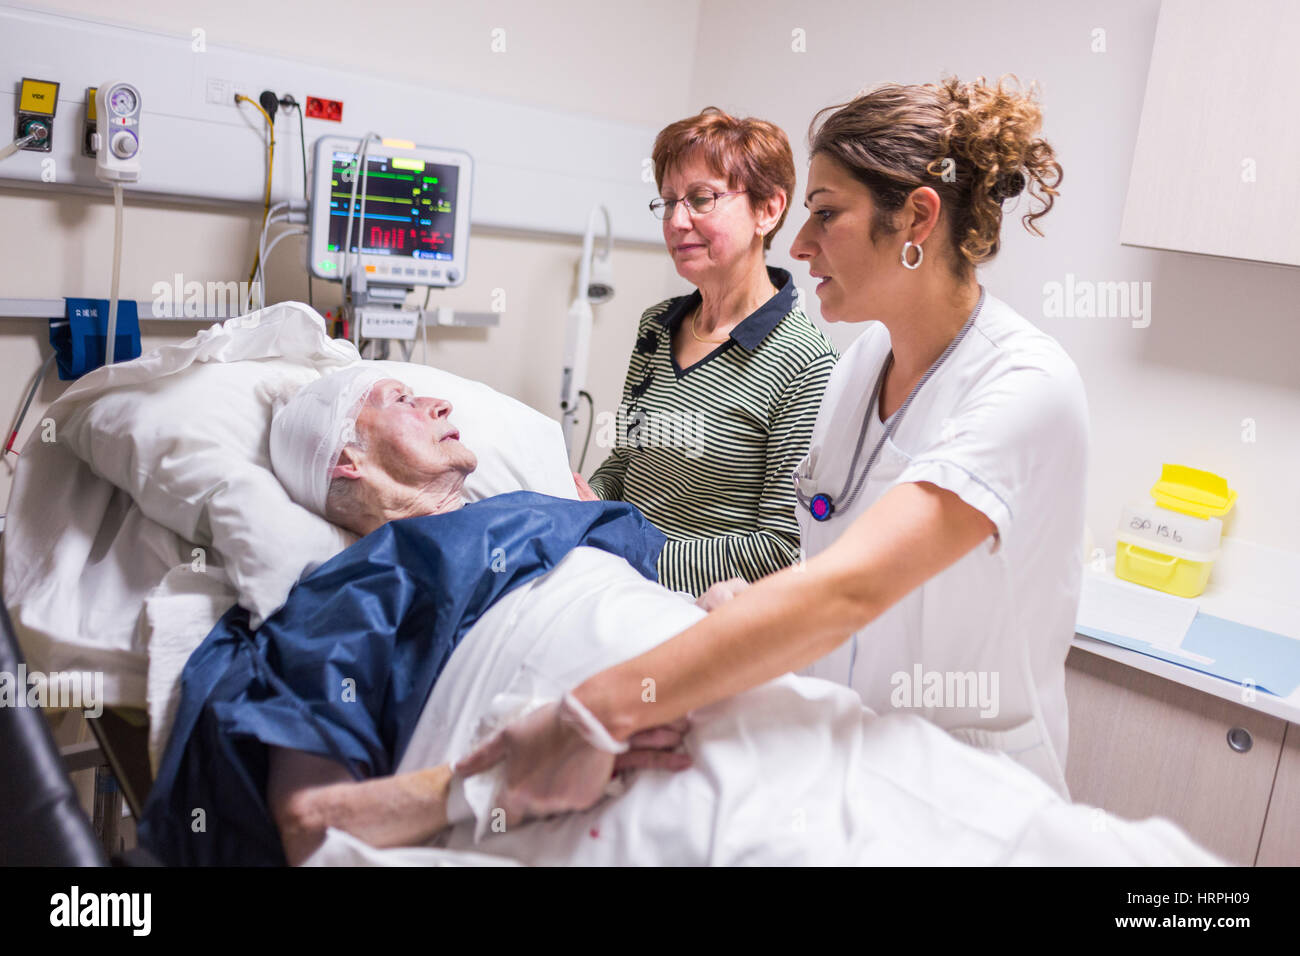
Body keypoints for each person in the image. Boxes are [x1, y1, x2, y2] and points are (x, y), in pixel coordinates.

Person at [456, 75, 1090, 812]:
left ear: (917, 219)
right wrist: (725, 599)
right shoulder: (860, 371)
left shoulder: (1025, 385)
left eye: (825, 214)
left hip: (965, 786)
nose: (800, 242)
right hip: (837, 750)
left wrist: (595, 712)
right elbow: (812, 558)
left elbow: (845, 590)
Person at [580, 107, 837, 597]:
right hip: (611, 576)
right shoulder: (658, 325)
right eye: (668, 202)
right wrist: (588, 504)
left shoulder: (806, 363)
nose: (677, 221)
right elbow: (626, 461)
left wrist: (629, 547)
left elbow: (782, 547)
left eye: (701, 199)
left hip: (698, 611)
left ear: (768, 210)